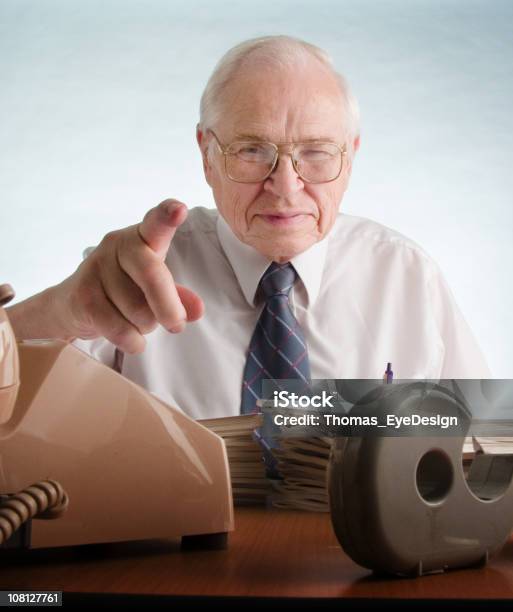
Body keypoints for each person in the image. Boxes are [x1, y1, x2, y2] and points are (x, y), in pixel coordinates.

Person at [6, 36, 490, 420]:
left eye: (317, 152)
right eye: (252, 150)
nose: (284, 186)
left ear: (351, 157)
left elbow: (490, 452)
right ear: (207, 154)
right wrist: (58, 311)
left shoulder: (406, 275)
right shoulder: (130, 277)